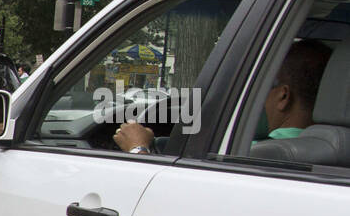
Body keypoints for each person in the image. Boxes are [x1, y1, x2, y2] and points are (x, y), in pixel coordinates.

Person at [113, 39, 331, 153]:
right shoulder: (331, 149)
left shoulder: (264, 154)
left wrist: (138, 147)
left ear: (283, 96)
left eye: (263, 86)